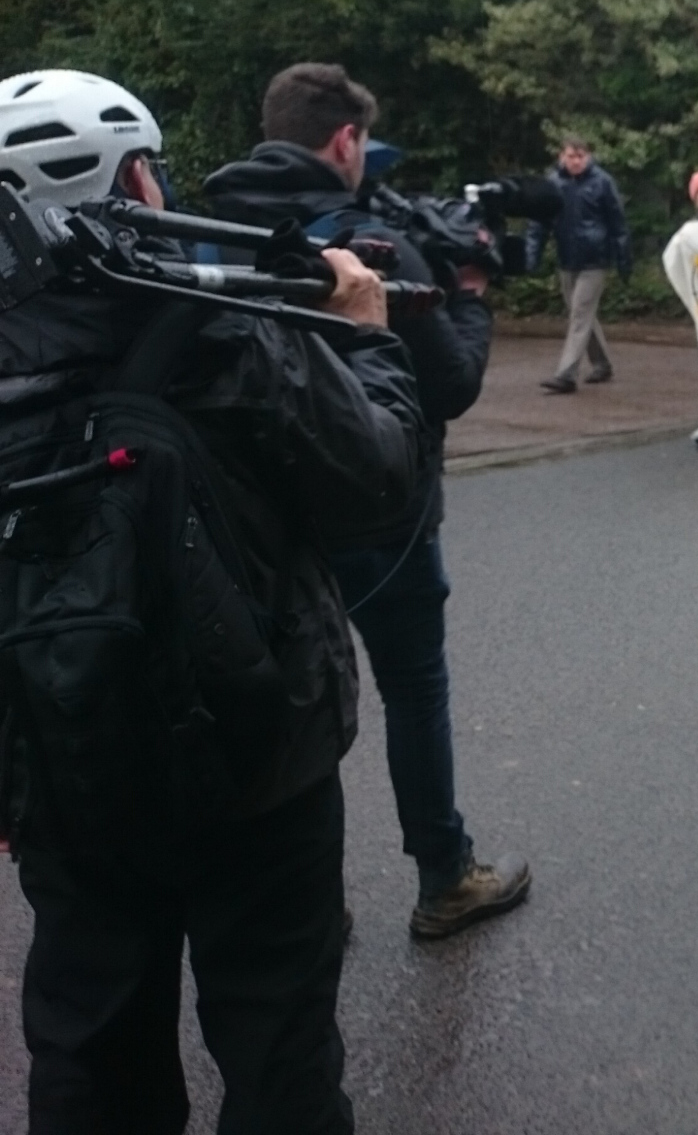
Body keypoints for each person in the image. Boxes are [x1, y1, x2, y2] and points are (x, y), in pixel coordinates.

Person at [0, 70, 426, 1130]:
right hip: (258, 763)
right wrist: (367, 339)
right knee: (278, 1045)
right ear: (135, 177)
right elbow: (379, 484)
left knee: (88, 1047)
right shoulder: (227, 332)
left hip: (63, 770)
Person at [204, 64, 533, 938]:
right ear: (345, 140)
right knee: (412, 686)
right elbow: (450, 385)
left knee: (297, 692)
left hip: (257, 518)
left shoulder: (206, 227)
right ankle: (445, 878)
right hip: (378, 511)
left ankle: (311, 893)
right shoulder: (374, 245)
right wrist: (469, 300)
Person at [528, 136, 631, 394]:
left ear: (588, 157)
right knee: (583, 315)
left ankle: (566, 375)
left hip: (595, 259)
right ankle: (602, 364)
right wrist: (531, 256)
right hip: (567, 258)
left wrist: (623, 259)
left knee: (579, 314)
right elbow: (538, 223)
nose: (575, 161)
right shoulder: (553, 184)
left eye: (580, 156)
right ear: (562, 156)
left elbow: (618, 223)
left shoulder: (602, 182)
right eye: (570, 156)